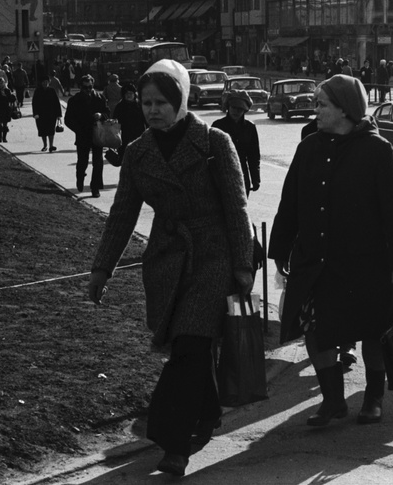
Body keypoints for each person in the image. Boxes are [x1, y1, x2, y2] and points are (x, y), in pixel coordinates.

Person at [87, 59, 254, 477]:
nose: (153, 109)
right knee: (188, 346)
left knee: (191, 344)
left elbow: (236, 209)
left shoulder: (215, 142)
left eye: (162, 101)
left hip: (212, 255)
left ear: (180, 100)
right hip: (165, 260)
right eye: (146, 102)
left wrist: (244, 265)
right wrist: (101, 269)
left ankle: (171, 441)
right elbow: (122, 215)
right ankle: (208, 411)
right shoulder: (138, 153)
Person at [269, 75, 393, 426]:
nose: (315, 109)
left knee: (373, 330)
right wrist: (279, 249)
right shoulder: (308, 147)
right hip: (317, 261)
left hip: (368, 262)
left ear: (344, 110)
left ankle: (373, 398)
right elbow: (289, 202)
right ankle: (333, 400)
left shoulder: (378, 150)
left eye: (322, 104)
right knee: (316, 331)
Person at [64, 74, 110, 197]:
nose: (88, 90)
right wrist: (78, 130)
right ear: (80, 87)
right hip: (83, 134)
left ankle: (95, 187)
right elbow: (68, 119)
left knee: (98, 162)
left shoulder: (100, 98)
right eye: (85, 88)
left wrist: (101, 115)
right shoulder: (74, 100)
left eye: (90, 87)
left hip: (97, 133)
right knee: (82, 162)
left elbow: (107, 112)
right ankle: (80, 177)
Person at [212, 90, 261, 196]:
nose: (236, 111)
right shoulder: (217, 126)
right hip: (221, 176)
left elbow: (253, 156)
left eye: (240, 109)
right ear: (228, 107)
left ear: (245, 110)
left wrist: (255, 178)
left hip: (242, 176)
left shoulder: (250, 128)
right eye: (233, 108)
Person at [113, 82, 146, 160]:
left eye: (131, 93)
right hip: (124, 137)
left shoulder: (139, 105)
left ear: (134, 94)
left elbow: (146, 120)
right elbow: (115, 121)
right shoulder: (120, 106)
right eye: (127, 93)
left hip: (139, 136)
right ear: (123, 95)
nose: (129, 95)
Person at [31, 74, 62, 152]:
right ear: (41, 83)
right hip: (40, 115)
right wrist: (35, 113)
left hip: (51, 114)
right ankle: (45, 145)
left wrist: (59, 114)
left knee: (51, 130)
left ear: (49, 82)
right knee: (43, 130)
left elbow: (56, 103)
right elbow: (34, 103)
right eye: (43, 82)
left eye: (46, 82)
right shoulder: (37, 91)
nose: (45, 83)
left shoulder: (52, 90)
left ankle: (51, 145)